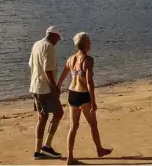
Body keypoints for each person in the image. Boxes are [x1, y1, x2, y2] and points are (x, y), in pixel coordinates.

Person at [58, 32, 112, 165]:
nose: (91, 43)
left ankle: (70, 158)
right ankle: (99, 150)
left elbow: (64, 73)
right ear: (86, 44)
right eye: (89, 41)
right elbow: (89, 82)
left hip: (72, 94)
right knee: (93, 124)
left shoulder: (71, 58)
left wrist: (58, 87)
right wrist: (93, 101)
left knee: (73, 127)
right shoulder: (88, 60)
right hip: (83, 95)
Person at [29, 26, 64, 159]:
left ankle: (38, 150)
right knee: (58, 113)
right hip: (45, 88)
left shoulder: (36, 44)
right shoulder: (49, 47)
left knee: (42, 118)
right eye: (58, 38)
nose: (58, 41)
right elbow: (48, 70)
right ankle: (46, 146)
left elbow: (31, 65)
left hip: (35, 86)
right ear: (53, 36)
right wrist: (55, 89)